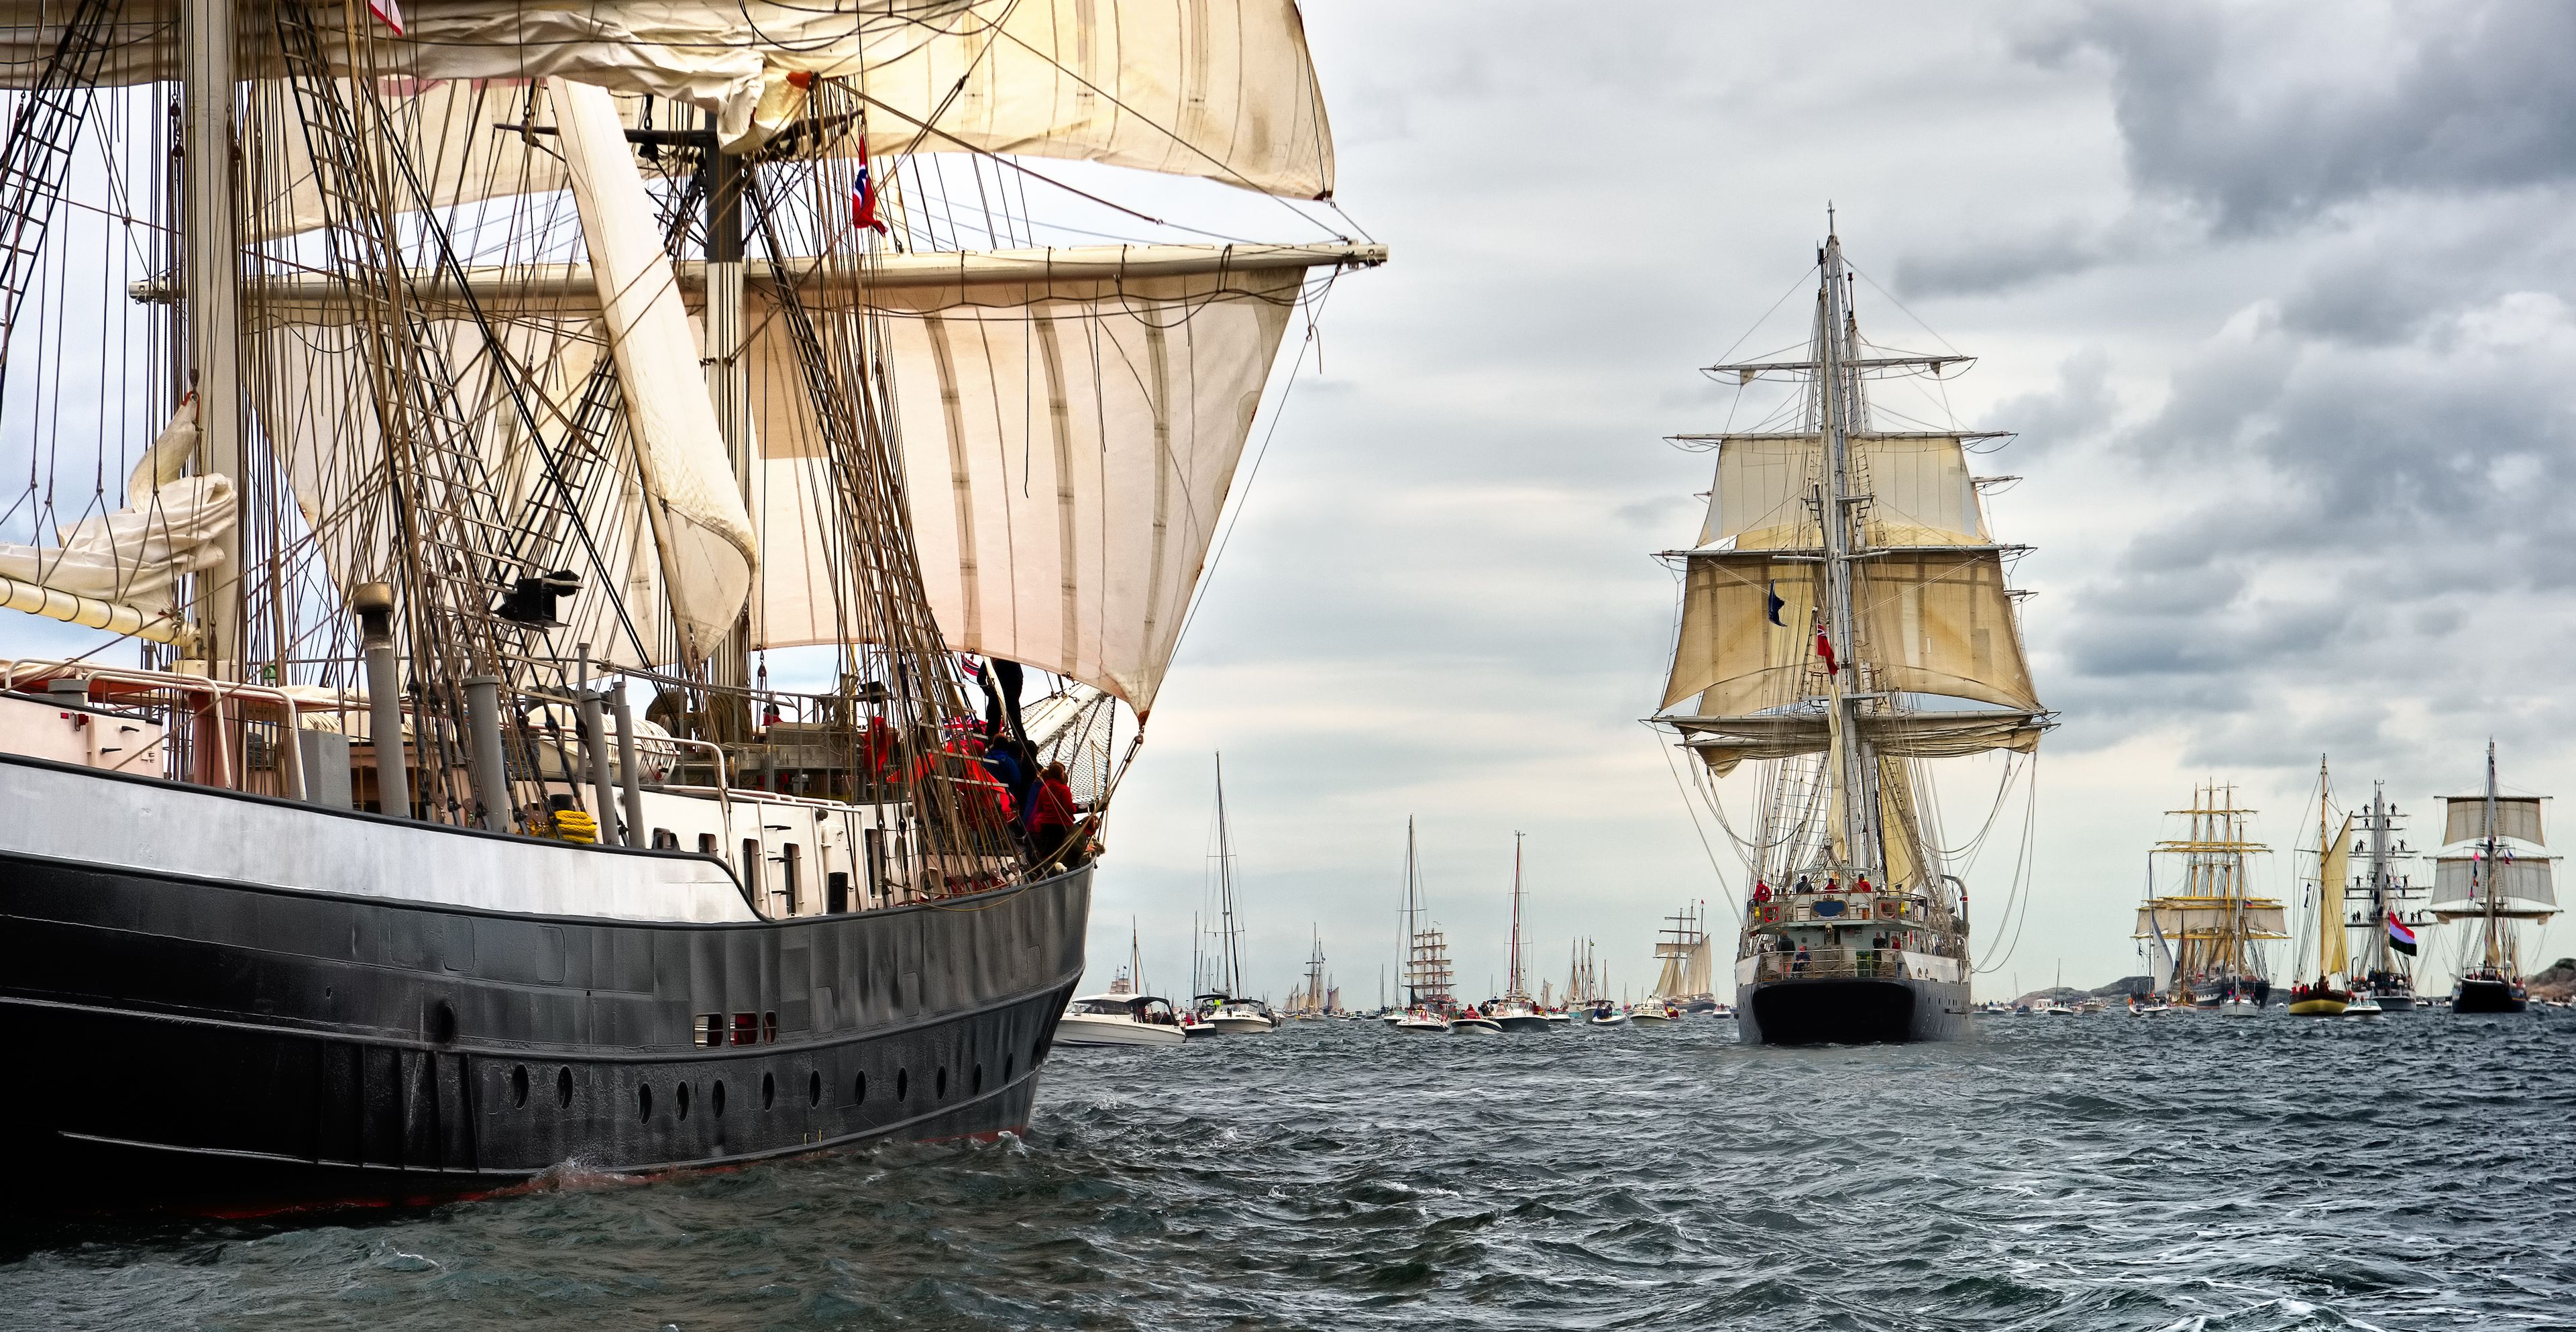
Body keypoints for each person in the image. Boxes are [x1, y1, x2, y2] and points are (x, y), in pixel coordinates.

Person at [1028, 760, 1081, 862]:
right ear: (1061, 775)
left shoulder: (1044, 788)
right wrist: (1075, 809)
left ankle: (1043, 867)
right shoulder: (1064, 790)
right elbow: (1069, 809)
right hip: (1060, 825)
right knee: (1058, 851)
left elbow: (1040, 807)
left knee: (1046, 851)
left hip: (1045, 825)